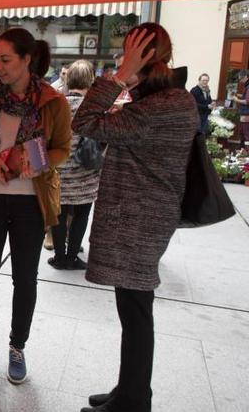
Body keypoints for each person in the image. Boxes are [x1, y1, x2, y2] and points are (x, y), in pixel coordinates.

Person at [73, 23, 197, 412]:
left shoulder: (155, 108)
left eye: (126, 52)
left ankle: (133, 399)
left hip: (139, 220)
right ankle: (130, 389)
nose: (120, 59)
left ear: (140, 55)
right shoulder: (172, 99)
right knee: (134, 308)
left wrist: (120, 76)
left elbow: (84, 122)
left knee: (136, 310)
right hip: (149, 216)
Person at [0, 27, 71, 385]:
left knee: (25, 278)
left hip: (30, 203)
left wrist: (30, 159)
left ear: (27, 59)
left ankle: (17, 347)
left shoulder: (52, 101)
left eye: (6, 60)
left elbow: (62, 149)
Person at [48, 60, 100, 270]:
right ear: (90, 81)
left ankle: (59, 257)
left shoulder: (56, 105)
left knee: (59, 216)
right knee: (81, 216)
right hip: (86, 175)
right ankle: (72, 257)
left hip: (59, 172)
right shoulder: (94, 109)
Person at [235, 69, 249, 144]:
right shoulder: (247, 85)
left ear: (246, 77)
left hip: (246, 115)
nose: (240, 81)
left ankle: (246, 152)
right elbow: (246, 97)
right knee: (244, 134)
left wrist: (236, 100)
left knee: (246, 135)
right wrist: (239, 95)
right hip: (245, 114)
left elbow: (247, 101)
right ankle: (244, 152)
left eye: (241, 78)